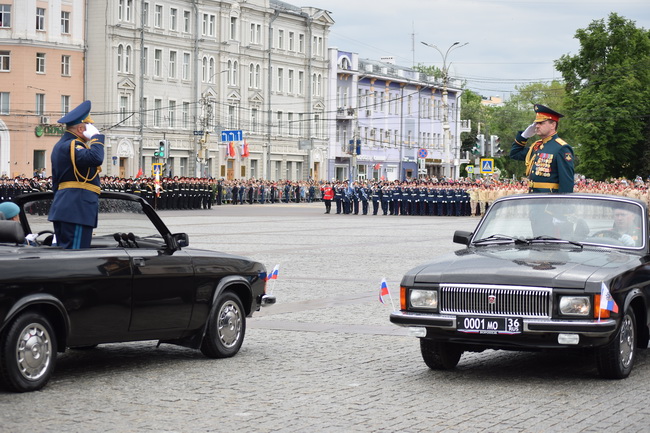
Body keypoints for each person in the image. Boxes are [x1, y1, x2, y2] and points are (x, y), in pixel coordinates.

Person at [48, 100, 105, 249]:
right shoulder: (74, 145)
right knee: (76, 257)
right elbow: (96, 158)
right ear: (81, 128)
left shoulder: (61, 145)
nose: (93, 129)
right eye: (89, 127)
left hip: (66, 207)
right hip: (77, 209)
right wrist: (97, 138)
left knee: (66, 256)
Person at [510, 104, 574, 193]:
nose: (537, 126)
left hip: (550, 201)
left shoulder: (561, 148)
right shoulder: (537, 146)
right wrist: (524, 136)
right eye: (536, 123)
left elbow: (566, 183)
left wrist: (561, 205)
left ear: (553, 125)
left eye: (541, 123)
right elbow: (514, 154)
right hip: (534, 198)